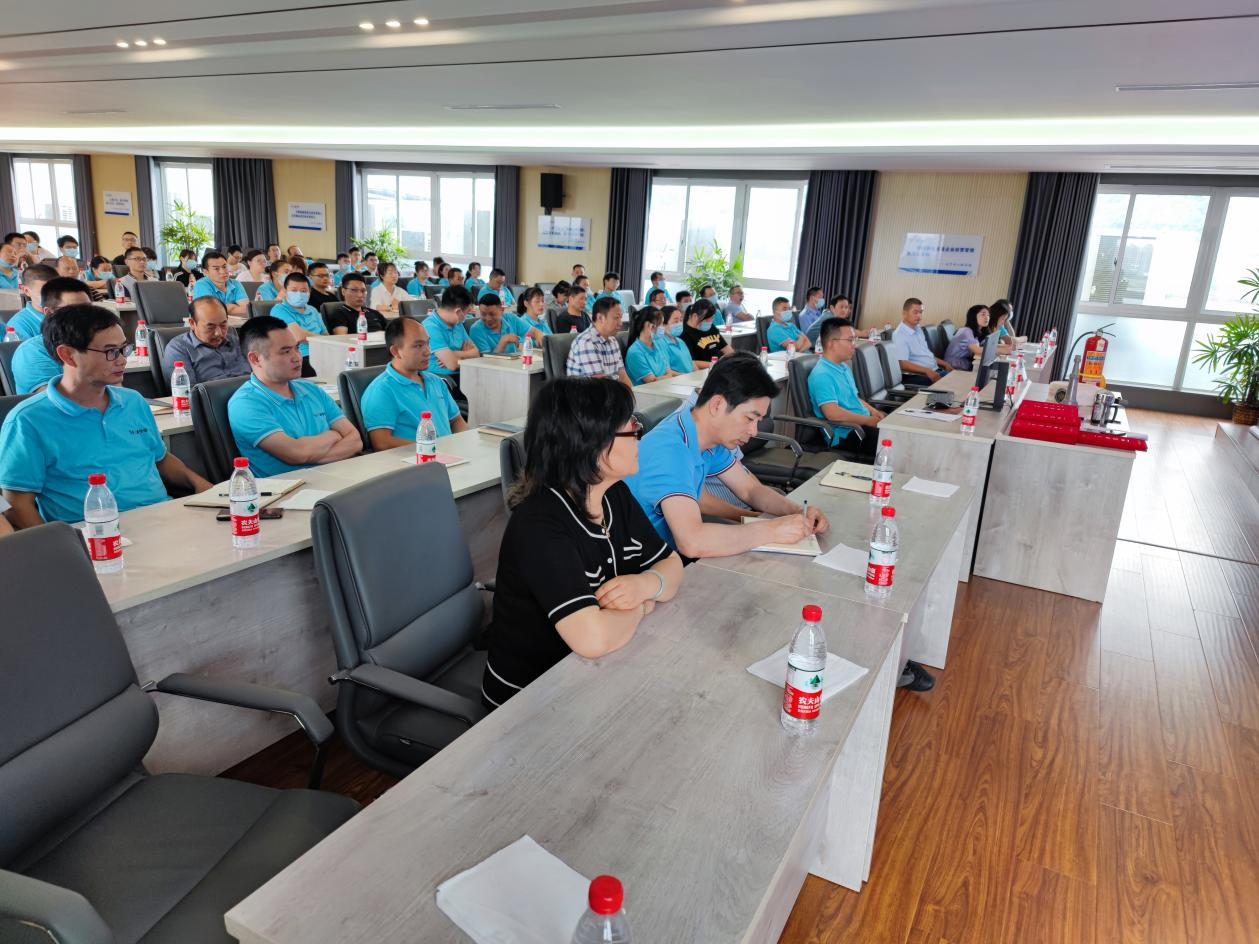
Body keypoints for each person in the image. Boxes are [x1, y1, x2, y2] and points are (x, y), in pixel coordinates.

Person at [480, 376, 683, 708]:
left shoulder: (614, 494)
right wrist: (642, 605)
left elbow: (672, 565)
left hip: (598, 673)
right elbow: (593, 639)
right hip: (530, 700)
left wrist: (646, 583)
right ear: (592, 444)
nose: (639, 436)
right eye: (631, 428)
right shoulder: (540, 525)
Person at [0, 303, 212, 527]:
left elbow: (160, 459)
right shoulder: (27, 420)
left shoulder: (133, 401)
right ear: (68, 355)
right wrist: (59, 545)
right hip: (95, 533)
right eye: (110, 351)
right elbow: (17, 504)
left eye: (123, 349)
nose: (122, 360)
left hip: (162, 518)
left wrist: (204, 487)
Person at [625, 352, 829, 558]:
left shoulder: (709, 437)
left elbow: (750, 489)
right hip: (642, 563)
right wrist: (773, 529)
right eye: (749, 418)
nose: (754, 431)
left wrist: (798, 512)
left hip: (668, 555)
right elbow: (692, 542)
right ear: (717, 405)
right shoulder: (670, 450)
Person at [228, 316, 361, 477]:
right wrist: (334, 435)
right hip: (290, 489)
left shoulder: (311, 389)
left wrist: (308, 455)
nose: (297, 357)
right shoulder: (245, 404)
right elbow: (296, 454)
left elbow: (355, 440)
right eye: (286, 351)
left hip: (338, 476)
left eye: (297, 348)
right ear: (256, 359)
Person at [360, 316, 468, 451]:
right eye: (418, 346)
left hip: (448, 455)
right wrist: (432, 449)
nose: (428, 351)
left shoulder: (436, 381)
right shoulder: (381, 390)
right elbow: (382, 443)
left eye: (428, 343)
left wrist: (465, 444)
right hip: (415, 460)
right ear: (395, 351)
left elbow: (456, 420)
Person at [808, 318, 884, 456]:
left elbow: (853, 398)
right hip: (847, 433)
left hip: (861, 424)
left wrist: (873, 411)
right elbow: (832, 413)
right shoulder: (822, 374)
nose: (854, 345)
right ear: (831, 343)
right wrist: (868, 421)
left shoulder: (843, 367)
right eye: (850, 340)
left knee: (897, 431)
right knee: (893, 442)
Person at [10, 276, 92, 394]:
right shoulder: (33, 351)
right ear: (49, 313)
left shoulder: (95, 342)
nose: (85, 316)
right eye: (72, 310)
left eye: (88, 309)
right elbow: (53, 398)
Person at [162, 295, 251, 385]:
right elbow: (188, 391)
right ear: (192, 324)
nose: (218, 333)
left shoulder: (236, 342)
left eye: (223, 325)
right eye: (210, 327)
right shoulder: (178, 349)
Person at [271, 271, 326, 377]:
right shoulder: (279, 310)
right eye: (294, 290)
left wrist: (323, 341)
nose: (299, 294)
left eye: (304, 291)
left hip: (322, 353)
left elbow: (326, 335)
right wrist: (323, 340)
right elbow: (299, 336)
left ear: (309, 292)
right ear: (285, 291)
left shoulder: (313, 310)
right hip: (299, 357)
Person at [566, 296, 630, 387]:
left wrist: (633, 394)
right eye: (616, 318)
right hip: (589, 394)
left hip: (609, 391)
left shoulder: (613, 340)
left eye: (621, 317)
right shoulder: (587, 342)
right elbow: (600, 385)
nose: (621, 323)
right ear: (600, 317)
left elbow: (622, 375)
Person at [421, 284, 479, 380]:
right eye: (467, 312)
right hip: (442, 379)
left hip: (464, 373)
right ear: (458, 312)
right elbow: (452, 364)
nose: (467, 316)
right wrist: (466, 355)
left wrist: (455, 354)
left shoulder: (457, 323)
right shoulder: (430, 327)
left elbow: (476, 353)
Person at [891, 297, 950, 384]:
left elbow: (925, 355)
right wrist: (927, 371)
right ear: (904, 314)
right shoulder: (899, 334)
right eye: (915, 312)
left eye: (921, 312)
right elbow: (902, 364)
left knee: (958, 379)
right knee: (955, 385)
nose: (919, 316)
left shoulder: (918, 329)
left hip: (933, 370)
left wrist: (945, 364)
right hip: (916, 376)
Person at [470, 294, 543, 354]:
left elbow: (535, 332)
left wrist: (539, 336)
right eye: (483, 314)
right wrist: (504, 341)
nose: (488, 318)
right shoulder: (476, 330)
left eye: (492, 314)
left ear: (502, 310)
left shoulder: (510, 318)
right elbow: (487, 361)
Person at [625, 307, 679, 385]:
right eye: (660, 324)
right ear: (649, 325)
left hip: (665, 387)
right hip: (648, 391)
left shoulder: (659, 344)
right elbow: (652, 381)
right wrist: (669, 376)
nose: (663, 327)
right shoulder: (635, 351)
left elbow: (668, 371)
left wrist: (685, 376)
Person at [190, 250, 249, 317]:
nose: (223, 271)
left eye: (224, 266)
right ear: (206, 272)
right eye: (216, 268)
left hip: (235, 323)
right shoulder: (201, 285)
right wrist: (232, 307)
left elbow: (247, 309)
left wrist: (223, 308)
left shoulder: (236, 283)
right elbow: (210, 311)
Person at [7, 264, 57, 340]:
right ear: (26, 291)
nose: (53, 295)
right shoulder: (18, 324)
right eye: (45, 291)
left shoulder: (66, 314)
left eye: (56, 289)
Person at [681, 298, 732, 368]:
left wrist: (734, 359)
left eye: (712, 318)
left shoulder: (710, 327)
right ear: (695, 316)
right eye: (707, 319)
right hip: (705, 369)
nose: (710, 321)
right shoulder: (684, 333)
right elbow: (692, 362)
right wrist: (716, 364)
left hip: (719, 365)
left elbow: (725, 347)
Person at [944, 304, 991, 371]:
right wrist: (998, 350)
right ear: (973, 316)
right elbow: (977, 350)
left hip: (963, 363)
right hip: (953, 366)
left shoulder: (978, 332)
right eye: (983, 314)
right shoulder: (966, 331)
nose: (987, 317)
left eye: (988, 315)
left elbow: (985, 344)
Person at [657, 305, 695, 374]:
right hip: (676, 379)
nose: (680, 324)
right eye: (676, 321)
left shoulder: (680, 341)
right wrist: (686, 377)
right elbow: (666, 371)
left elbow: (691, 364)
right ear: (663, 324)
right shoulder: (660, 343)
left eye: (681, 320)